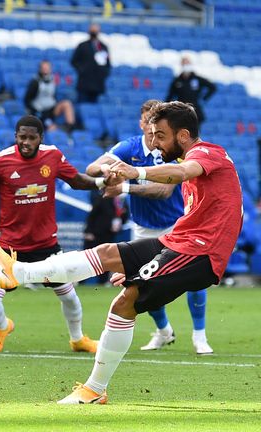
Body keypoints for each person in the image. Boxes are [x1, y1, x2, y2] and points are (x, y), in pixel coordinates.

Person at [0, 101, 242, 404]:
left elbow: (180, 172)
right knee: (108, 253)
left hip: (201, 253)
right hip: (179, 240)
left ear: (184, 135)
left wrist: (137, 171)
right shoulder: (195, 162)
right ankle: (19, 272)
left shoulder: (204, 153)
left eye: (161, 136)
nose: (156, 143)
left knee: (124, 303)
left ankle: (94, 389)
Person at [0, 115, 101, 353]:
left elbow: (77, 181)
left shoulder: (52, 156)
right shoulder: (0, 161)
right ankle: (3, 326)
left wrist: (103, 183)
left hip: (46, 246)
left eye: (32, 138)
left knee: (69, 296)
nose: (27, 142)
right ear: (16, 137)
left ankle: (78, 339)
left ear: (40, 138)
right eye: (22, 137)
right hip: (7, 247)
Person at [86, 99, 212, 354]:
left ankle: (200, 336)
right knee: (145, 283)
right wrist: (108, 169)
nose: (149, 127)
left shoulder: (175, 149)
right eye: (146, 121)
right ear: (141, 122)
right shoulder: (131, 146)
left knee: (194, 282)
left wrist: (124, 185)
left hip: (175, 226)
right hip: (142, 227)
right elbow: (91, 168)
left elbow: (165, 191)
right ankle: (164, 331)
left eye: (154, 123)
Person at [24, 60, 76, 131]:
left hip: (51, 109)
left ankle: (69, 127)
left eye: (48, 68)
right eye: (44, 68)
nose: (46, 69)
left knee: (67, 104)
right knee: (51, 128)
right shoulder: (35, 82)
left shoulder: (52, 80)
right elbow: (27, 100)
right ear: (40, 69)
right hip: (40, 111)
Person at [166, 56, 216, 125]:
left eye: (188, 64)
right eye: (184, 64)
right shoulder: (177, 81)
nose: (186, 66)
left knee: (194, 133)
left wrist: (204, 98)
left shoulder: (197, 79)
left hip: (195, 110)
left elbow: (212, 87)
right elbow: (170, 96)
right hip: (181, 111)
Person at [70, 23, 111, 104]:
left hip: (97, 84)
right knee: (82, 106)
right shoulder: (83, 46)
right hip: (84, 84)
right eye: (92, 30)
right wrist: (82, 70)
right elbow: (74, 61)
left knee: (94, 109)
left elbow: (107, 64)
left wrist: (103, 74)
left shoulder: (103, 47)